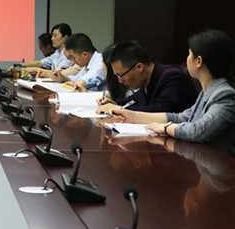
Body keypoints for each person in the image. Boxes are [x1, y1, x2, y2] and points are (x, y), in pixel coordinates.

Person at [111, 29, 235, 157]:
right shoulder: (207, 92)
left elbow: (197, 131)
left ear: (199, 61)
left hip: (222, 166)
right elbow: (182, 118)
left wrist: (166, 128)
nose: (186, 59)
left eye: (189, 54)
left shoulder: (224, 95)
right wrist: (132, 116)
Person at [97, 40, 197, 114]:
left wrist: (119, 109)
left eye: (121, 75)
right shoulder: (148, 78)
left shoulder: (172, 77)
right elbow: (134, 99)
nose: (120, 81)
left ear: (139, 67)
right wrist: (114, 104)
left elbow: (159, 110)